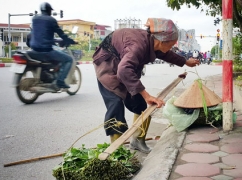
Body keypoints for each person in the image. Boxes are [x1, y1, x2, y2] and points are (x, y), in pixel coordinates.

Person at [93, 18, 200, 153]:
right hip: (108, 66)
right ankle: (115, 151)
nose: (171, 47)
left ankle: (138, 141)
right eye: (171, 44)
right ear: (162, 41)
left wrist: (185, 62)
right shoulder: (138, 45)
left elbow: (167, 54)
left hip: (124, 66)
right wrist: (147, 95)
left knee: (141, 106)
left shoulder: (153, 42)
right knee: (115, 106)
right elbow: (124, 70)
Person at [29, 2, 76, 89]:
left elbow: (40, 33)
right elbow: (61, 34)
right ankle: (60, 81)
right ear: (49, 10)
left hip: (34, 49)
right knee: (68, 60)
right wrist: (71, 41)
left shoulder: (34, 18)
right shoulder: (51, 20)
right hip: (46, 51)